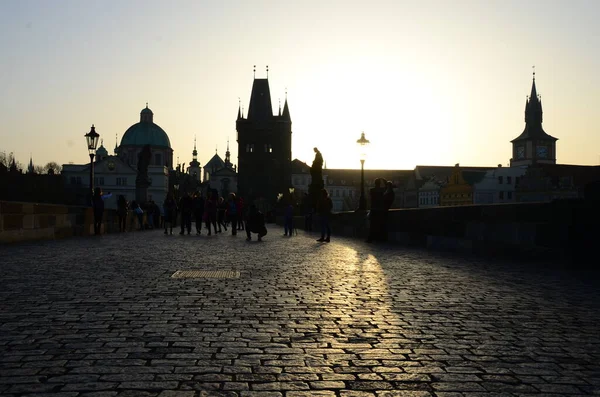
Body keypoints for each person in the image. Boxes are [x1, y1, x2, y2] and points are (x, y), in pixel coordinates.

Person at [366, 178, 385, 243]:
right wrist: (383, 179)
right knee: (379, 224)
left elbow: (369, 199)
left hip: (373, 208)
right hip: (380, 209)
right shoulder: (382, 190)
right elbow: (386, 186)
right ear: (380, 183)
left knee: (372, 225)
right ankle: (379, 238)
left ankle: (370, 238)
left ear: (375, 183)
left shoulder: (372, 190)